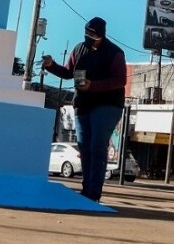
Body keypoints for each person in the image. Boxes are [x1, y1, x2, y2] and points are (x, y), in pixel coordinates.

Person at [42, 17, 127, 202]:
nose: (88, 37)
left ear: (101, 35)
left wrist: (93, 86)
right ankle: (87, 190)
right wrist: (51, 66)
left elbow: (121, 81)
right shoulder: (79, 49)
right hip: (83, 105)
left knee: (97, 146)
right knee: (84, 147)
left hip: (107, 105)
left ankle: (94, 192)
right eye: (86, 33)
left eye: (92, 35)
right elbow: (67, 72)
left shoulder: (114, 53)